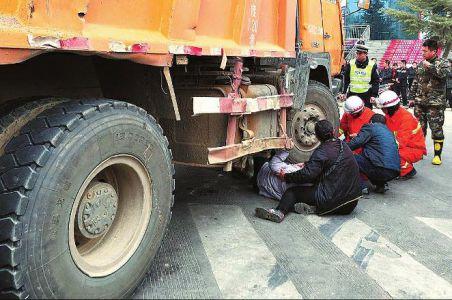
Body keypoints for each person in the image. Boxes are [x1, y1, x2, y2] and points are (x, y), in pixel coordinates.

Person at [255, 120, 362, 223]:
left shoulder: (321, 152)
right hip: (351, 203)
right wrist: (308, 164)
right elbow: (327, 162)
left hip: (333, 202)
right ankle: (312, 207)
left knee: (292, 193)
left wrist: (286, 177)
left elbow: (307, 175)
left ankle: (279, 212)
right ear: (333, 131)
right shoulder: (344, 145)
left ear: (317, 136)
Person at [410, 39, 451, 165]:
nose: (423, 53)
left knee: (436, 129)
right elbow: (416, 81)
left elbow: (445, 75)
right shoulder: (422, 64)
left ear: (434, 51)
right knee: (419, 129)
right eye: (422, 50)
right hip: (420, 102)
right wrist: (412, 97)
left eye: (425, 51)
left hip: (435, 104)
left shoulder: (442, 63)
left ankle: (437, 155)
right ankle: (420, 152)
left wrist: (431, 67)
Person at [377, 90, 426, 179]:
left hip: (414, 149)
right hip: (404, 146)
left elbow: (401, 142)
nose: (382, 110)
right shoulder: (391, 115)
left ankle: (408, 170)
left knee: (388, 153)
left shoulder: (406, 118)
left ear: (390, 107)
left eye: (383, 108)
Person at [347, 114, 400, 194]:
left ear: (371, 121)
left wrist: (342, 148)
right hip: (394, 171)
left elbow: (357, 142)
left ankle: (361, 186)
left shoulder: (370, 127)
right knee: (372, 161)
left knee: (351, 158)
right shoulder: (389, 132)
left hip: (379, 168)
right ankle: (381, 184)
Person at [339, 44, 379, 109]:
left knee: (367, 115)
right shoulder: (351, 63)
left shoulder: (372, 65)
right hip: (352, 94)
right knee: (351, 113)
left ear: (366, 54)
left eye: (360, 53)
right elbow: (346, 80)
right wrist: (343, 92)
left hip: (366, 94)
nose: (357, 55)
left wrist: (374, 95)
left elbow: (376, 81)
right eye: (357, 53)